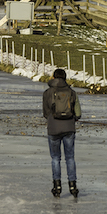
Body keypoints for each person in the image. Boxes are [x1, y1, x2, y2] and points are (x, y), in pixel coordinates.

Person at [43, 67, 81, 198]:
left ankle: (57, 185)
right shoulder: (72, 92)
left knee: (55, 158)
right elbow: (78, 113)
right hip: (69, 128)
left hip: (53, 129)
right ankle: (73, 185)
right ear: (65, 78)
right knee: (70, 158)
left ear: (53, 77)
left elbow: (45, 113)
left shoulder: (47, 92)